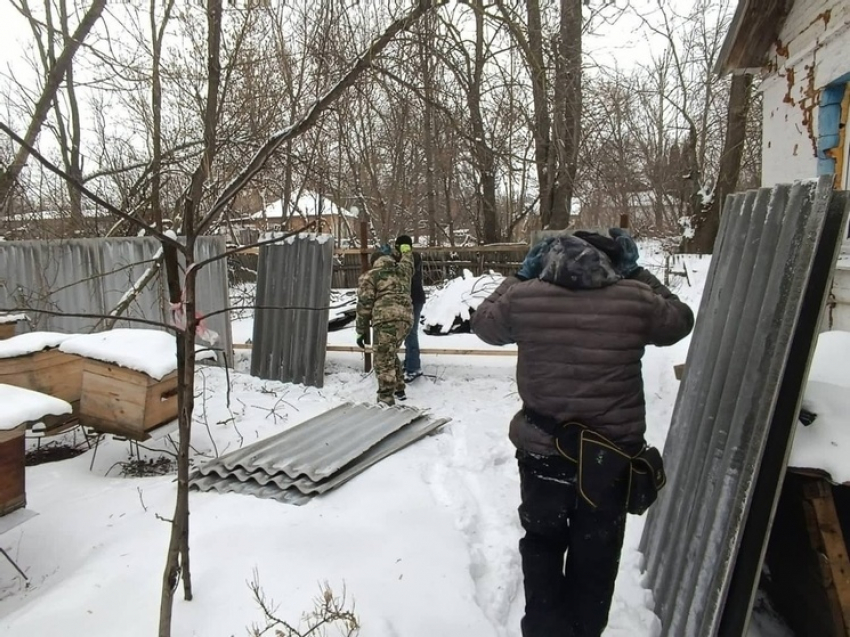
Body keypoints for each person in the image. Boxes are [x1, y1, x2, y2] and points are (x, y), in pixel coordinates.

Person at [470, 229, 694, 637]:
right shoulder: (635, 300)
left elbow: (483, 324)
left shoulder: (525, 298)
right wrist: (639, 272)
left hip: (543, 454)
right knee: (596, 557)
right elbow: (679, 321)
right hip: (607, 464)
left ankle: (541, 630)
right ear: (614, 261)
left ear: (548, 258)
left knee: (542, 543)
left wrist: (519, 276)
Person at [355, 243, 415, 406]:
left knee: (382, 359)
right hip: (407, 320)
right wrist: (406, 250)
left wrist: (360, 331)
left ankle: (385, 398)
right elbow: (409, 261)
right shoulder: (403, 270)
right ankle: (399, 388)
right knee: (390, 351)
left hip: (386, 319)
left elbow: (364, 305)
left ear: (375, 260)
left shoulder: (370, 276)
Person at [395, 234, 426, 382]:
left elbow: (406, 272)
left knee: (411, 333)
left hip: (414, 300)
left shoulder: (414, 258)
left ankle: (414, 368)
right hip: (408, 300)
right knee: (406, 332)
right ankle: (409, 363)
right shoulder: (403, 259)